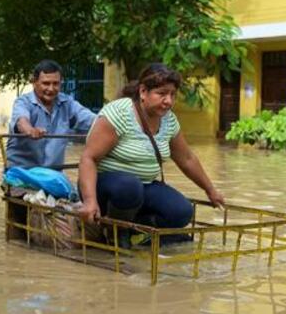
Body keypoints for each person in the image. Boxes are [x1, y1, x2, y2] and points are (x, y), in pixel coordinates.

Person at [77, 63, 225, 248]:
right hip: (105, 187)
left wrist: (210, 190)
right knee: (129, 186)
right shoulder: (119, 113)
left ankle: (136, 232)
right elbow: (88, 158)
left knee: (182, 211)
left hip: (143, 186)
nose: (168, 101)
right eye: (162, 94)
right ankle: (115, 232)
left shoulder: (168, 119)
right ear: (143, 92)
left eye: (172, 95)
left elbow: (186, 158)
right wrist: (90, 201)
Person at [5, 60, 97, 169]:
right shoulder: (23, 102)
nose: (51, 89)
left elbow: (92, 120)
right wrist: (31, 130)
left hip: (53, 175)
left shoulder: (67, 103)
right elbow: (21, 121)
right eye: (46, 83)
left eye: (56, 84)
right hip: (23, 173)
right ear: (34, 82)